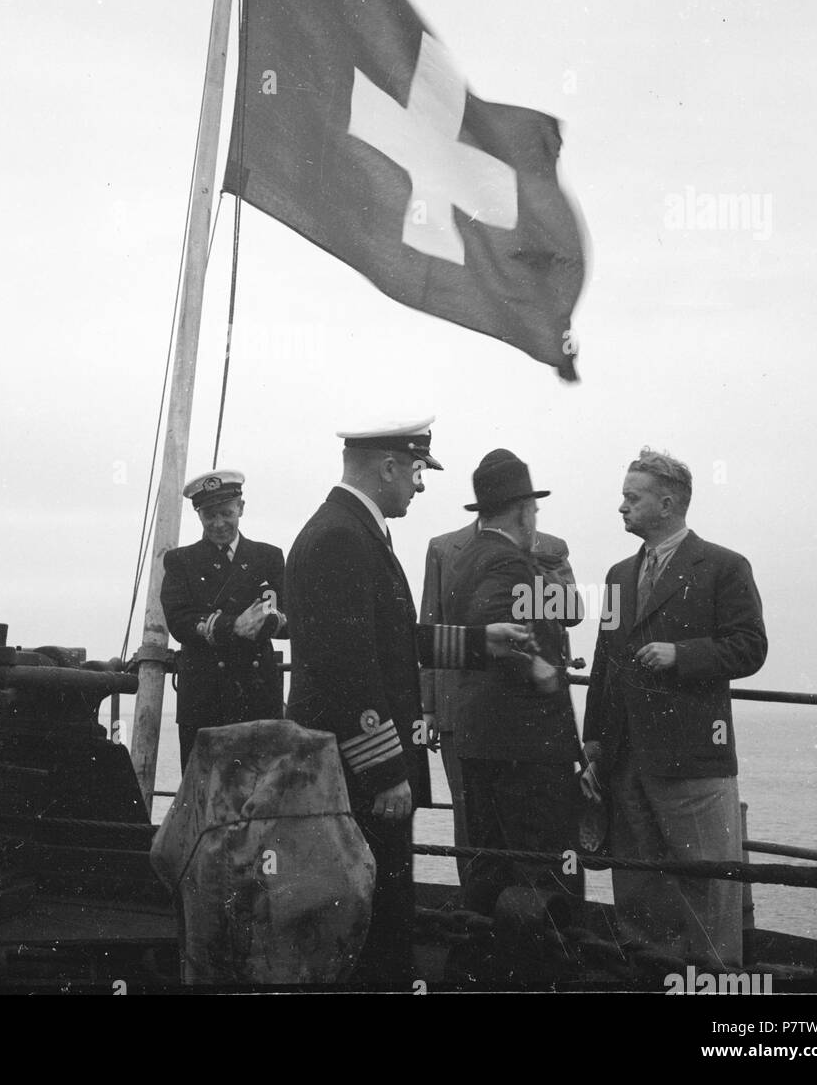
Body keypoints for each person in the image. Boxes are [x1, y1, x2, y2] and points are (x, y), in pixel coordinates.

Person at [582, 449, 767, 970]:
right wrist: (594, 745)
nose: (621, 507)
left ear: (666, 504)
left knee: (708, 887)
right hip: (626, 763)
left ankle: (715, 986)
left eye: (631, 497)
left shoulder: (724, 567)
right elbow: (604, 664)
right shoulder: (619, 575)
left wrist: (682, 655)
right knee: (638, 888)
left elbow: (751, 647)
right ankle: (650, 976)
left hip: (693, 762)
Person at [284, 417, 440, 982]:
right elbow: (347, 667)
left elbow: (388, 636)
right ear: (390, 466)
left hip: (351, 767)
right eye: (418, 471)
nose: (419, 487)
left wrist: (479, 642)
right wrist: (386, 771)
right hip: (360, 775)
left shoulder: (346, 528)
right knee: (374, 920)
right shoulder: (341, 538)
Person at [444, 450, 585, 915]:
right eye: (534, 510)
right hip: (527, 751)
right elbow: (490, 622)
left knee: (493, 869)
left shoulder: (465, 557)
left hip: (481, 740)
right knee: (546, 876)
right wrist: (535, 668)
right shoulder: (508, 562)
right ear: (524, 510)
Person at [161, 470, 287, 770]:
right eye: (209, 515)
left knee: (261, 793)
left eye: (226, 513)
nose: (219, 523)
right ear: (199, 515)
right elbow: (178, 621)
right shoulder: (181, 561)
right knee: (203, 795)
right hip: (206, 697)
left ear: (241, 508)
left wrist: (264, 622)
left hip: (257, 695)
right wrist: (232, 626)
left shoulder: (268, 557)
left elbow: (291, 617)